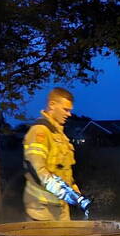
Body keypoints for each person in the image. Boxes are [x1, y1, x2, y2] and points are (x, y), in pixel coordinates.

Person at [22, 87, 80, 221]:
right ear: (52, 105)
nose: (69, 114)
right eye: (66, 109)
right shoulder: (40, 132)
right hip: (41, 208)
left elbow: (64, 169)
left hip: (60, 207)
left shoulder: (59, 135)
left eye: (70, 110)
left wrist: (75, 191)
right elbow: (36, 169)